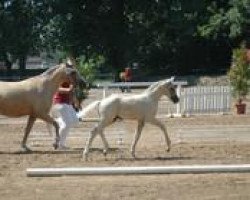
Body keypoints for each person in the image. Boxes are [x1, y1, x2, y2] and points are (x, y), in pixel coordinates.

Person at [52, 59, 80, 150]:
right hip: (59, 102)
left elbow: (72, 92)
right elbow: (56, 88)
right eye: (71, 66)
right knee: (66, 124)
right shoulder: (61, 77)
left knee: (75, 121)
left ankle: (57, 122)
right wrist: (68, 90)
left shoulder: (71, 77)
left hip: (67, 103)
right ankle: (60, 144)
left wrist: (75, 101)